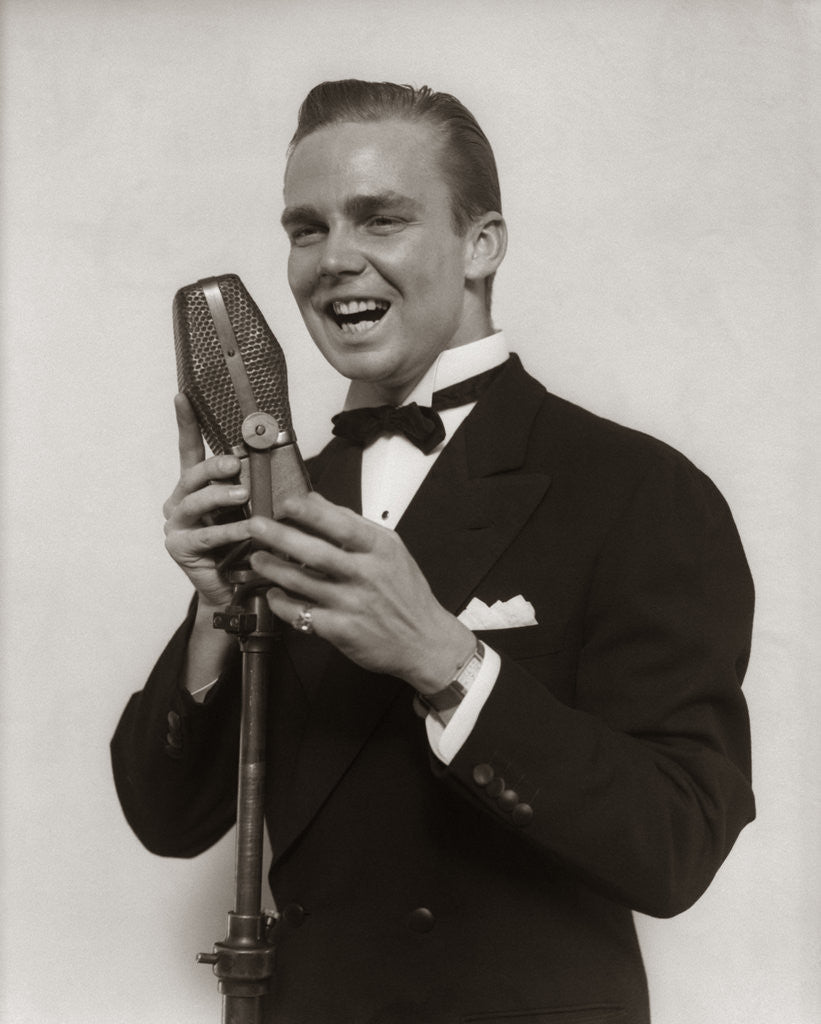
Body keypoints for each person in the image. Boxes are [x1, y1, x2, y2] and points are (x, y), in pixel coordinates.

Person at [111, 80, 755, 1024]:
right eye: (305, 228)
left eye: (380, 220)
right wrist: (217, 608)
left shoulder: (636, 489)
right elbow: (168, 820)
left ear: (480, 244)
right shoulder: (292, 499)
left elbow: (676, 845)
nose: (334, 260)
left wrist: (445, 661)